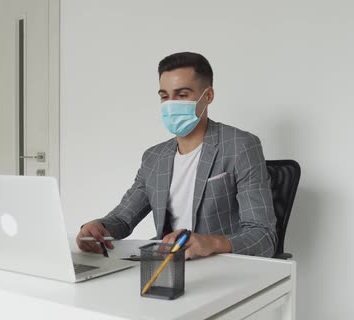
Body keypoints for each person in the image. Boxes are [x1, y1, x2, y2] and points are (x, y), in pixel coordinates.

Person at [76, 52, 277, 259]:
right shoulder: (154, 157)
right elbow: (122, 219)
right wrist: (97, 229)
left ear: (208, 96)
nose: (170, 104)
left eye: (182, 95)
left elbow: (263, 236)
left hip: (219, 264)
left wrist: (210, 242)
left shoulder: (240, 146)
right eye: (164, 96)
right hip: (166, 266)